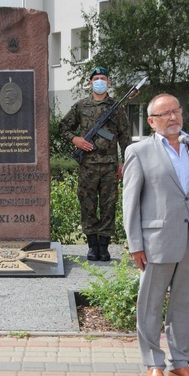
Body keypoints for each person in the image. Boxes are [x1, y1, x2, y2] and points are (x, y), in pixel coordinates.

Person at [122, 93, 189, 376]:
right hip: (157, 239)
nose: (173, 117)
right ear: (151, 121)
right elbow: (130, 201)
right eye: (165, 114)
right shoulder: (139, 151)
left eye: (176, 111)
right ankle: (153, 364)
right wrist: (135, 243)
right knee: (150, 304)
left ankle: (180, 363)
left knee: (184, 303)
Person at [59, 66, 131, 261]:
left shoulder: (116, 108)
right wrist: (76, 140)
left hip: (109, 165)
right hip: (88, 166)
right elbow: (63, 127)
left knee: (108, 205)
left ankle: (104, 246)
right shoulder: (81, 106)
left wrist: (125, 162)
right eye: (96, 78)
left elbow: (125, 136)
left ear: (108, 82)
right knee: (88, 204)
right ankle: (92, 246)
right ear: (90, 83)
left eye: (103, 78)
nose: (99, 81)